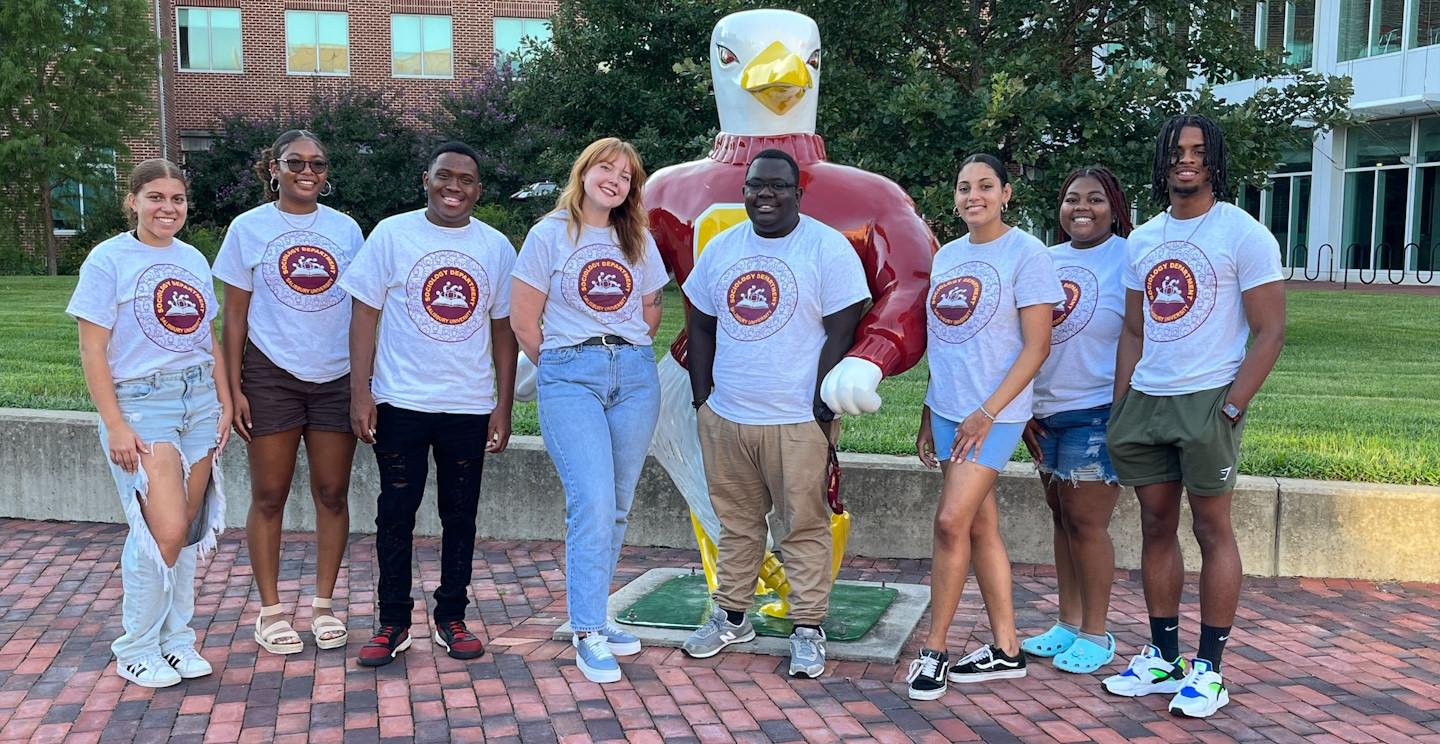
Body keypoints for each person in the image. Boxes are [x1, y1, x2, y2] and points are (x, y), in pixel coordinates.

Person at [1102, 114, 1285, 718]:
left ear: (1214, 162)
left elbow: (1270, 331)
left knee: (1212, 530)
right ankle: (1163, 657)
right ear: (1163, 160)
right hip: (1148, 400)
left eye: (1199, 152)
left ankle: (1210, 669)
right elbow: (1134, 327)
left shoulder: (1244, 233)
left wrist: (1233, 405)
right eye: (1178, 151)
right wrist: (1121, 402)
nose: (1188, 160)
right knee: (1155, 527)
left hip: (1209, 398)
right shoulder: (1143, 239)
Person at [679, 149, 870, 678]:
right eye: (755, 186)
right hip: (728, 417)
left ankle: (808, 629)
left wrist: (820, 404)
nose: (765, 194)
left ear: (797, 193)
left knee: (803, 526)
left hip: (796, 419)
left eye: (777, 186)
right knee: (737, 525)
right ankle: (732, 616)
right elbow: (699, 325)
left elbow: (843, 329)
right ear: (743, 192)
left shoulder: (826, 248)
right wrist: (702, 400)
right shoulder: (721, 249)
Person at [340, 142, 519, 667]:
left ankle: (451, 617)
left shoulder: (494, 247)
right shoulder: (393, 234)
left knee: (459, 517)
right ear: (426, 179)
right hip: (400, 402)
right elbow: (363, 315)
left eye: (466, 179)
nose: (454, 187)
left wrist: (502, 406)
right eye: (445, 176)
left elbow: (504, 331)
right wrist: (360, 391)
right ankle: (392, 623)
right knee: (394, 515)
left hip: (467, 406)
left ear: (478, 190)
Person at [67, 159, 231, 687]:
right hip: (143, 404)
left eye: (177, 199)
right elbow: (92, 349)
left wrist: (225, 402)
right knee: (160, 531)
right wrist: (114, 424)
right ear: (132, 201)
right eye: (156, 197)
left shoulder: (192, 259)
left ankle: (175, 639)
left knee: (184, 533)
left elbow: (208, 338)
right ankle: (135, 645)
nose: (168, 208)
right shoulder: (108, 259)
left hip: (199, 399)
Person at [510, 137, 667, 684]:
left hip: (634, 376)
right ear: (584, 172)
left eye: (626, 176)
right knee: (593, 501)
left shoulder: (637, 238)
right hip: (570, 375)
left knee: (618, 505)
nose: (616, 180)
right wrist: (561, 363)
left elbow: (651, 308)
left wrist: (624, 352)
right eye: (607, 168)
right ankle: (586, 631)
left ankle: (599, 615)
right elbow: (524, 318)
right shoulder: (550, 233)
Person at [906, 154, 1063, 700]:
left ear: (1006, 193)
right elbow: (943, 345)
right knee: (978, 527)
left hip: (993, 416)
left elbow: (1037, 347)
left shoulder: (1028, 254)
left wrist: (990, 412)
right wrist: (930, 413)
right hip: (951, 410)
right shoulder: (946, 257)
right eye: (964, 186)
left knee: (950, 522)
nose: (974, 195)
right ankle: (1007, 648)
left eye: (985, 186)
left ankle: (935, 648)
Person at [212, 129, 364, 655]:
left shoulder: (346, 230)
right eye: (295, 162)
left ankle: (324, 604)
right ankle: (271, 611)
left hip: (335, 378)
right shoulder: (248, 227)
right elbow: (233, 316)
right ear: (272, 168)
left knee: (331, 494)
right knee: (270, 495)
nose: (307, 171)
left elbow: (365, 309)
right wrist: (233, 390)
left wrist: (362, 384)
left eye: (318, 164)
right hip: (270, 376)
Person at [1018, 167, 1134, 674]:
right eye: (1071, 199)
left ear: (1115, 206)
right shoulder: (1043, 260)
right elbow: (1019, 339)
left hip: (1097, 412)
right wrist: (1020, 409)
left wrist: (1126, 410)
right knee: (1062, 520)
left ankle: (1097, 632)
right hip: (1045, 413)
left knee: (1088, 523)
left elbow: (1142, 334)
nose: (1081, 208)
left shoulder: (1129, 257)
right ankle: (1067, 624)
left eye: (1095, 199)